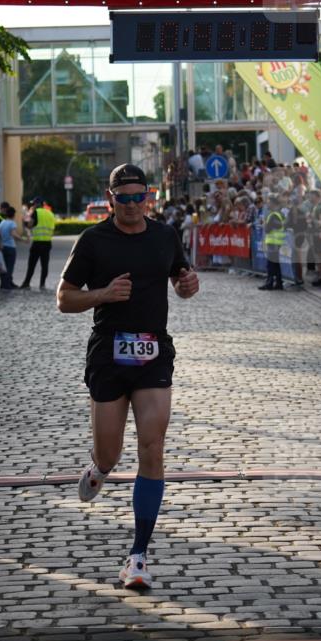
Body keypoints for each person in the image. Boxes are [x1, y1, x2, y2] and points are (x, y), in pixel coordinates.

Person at [56, 163, 199, 589]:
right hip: (109, 354)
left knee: (152, 447)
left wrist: (187, 285)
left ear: (149, 196)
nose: (134, 206)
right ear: (111, 197)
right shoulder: (93, 240)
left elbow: (180, 277)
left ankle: (137, 555)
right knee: (111, 453)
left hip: (154, 351)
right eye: (126, 198)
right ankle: (99, 469)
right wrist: (103, 294)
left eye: (141, 197)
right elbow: (64, 298)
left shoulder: (165, 235)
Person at [20, 196, 56, 290]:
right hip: (47, 243)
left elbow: (30, 225)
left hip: (37, 242)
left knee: (32, 264)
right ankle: (42, 284)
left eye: (33, 204)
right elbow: (53, 228)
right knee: (44, 265)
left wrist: (25, 221)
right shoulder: (50, 214)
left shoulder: (35, 212)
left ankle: (26, 283)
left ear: (36, 204)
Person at [258, 194, 285, 290]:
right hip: (277, 242)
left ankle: (269, 283)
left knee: (271, 264)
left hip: (273, 241)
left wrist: (264, 223)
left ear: (273, 203)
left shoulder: (274, 215)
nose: (267, 205)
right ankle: (278, 283)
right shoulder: (279, 213)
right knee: (275, 264)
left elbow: (268, 229)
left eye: (268, 203)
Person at [0, 205, 21, 291]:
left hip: (3, 247)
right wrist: (22, 239)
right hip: (10, 247)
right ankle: (7, 285)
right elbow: (13, 234)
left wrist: (0, 244)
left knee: (3, 267)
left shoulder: (2, 223)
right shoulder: (12, 223)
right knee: (9, 267)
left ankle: (3, 284)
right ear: (13, 215)